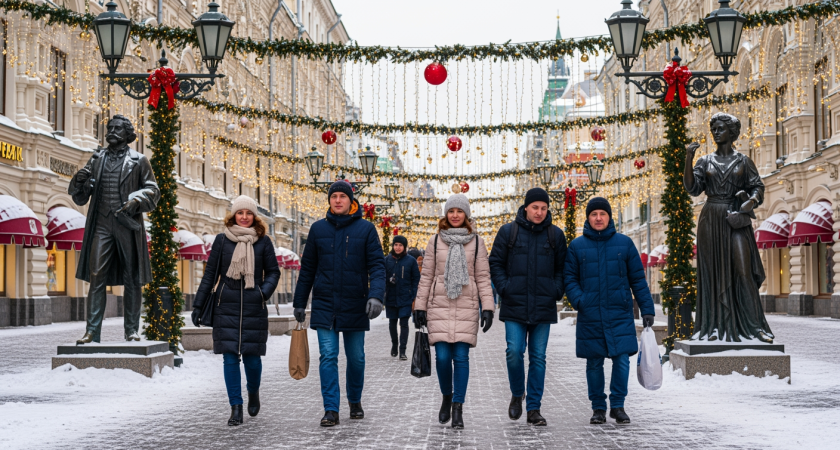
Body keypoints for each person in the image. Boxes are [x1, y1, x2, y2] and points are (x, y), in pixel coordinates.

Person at [293, 181, 385, 427]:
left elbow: (377, 265)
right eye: (334, 196)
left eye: (342, 196)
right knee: (328, 356)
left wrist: (376, 295)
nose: (337, 200)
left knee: (356, 358)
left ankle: (354, 400)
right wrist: (300, 302)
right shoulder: (317, 229)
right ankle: (331, 409)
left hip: (355, 303)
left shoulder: (366, 229)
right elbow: (308, 269)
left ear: (351, 200)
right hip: (325, 303)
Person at [68, 115, 160, 344]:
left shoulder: (139, 160)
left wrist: (137, 201)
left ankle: (131, 330)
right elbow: (81, 196)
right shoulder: (97, 158)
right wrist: (80, 180)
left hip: (126, 225)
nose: (112, 131)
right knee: (96, 274)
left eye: (118, 128)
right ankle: (92, 332)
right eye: (110, 127)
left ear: (128, 134)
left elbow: (153, 190)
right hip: (101, 224)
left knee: (132, 277)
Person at [564, 197, 654, 425]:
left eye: (602, 214)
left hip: (619, 313)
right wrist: (580, 300)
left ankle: (618, 405)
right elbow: (569, 279)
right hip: (591, 313)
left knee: (621, 360)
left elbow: (638, 280)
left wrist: (647, 309)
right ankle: (598, 408)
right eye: (593, 214)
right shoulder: (576, 246)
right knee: (594, 363)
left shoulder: (624, 244)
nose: (598, 218)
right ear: (588, 218)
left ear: (609, 217)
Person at [191, 195, 280, 426]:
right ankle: (236, 407)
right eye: (240, 213)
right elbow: (210, 274)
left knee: (252, 360)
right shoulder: (221, 241)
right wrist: (198, 305)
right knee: (230, 359)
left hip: (254, 306)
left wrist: (263, 293)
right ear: (233, 215)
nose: (244, 217)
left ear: (254, 217)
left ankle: (253, 392)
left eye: (248, 213)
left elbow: (273, 272)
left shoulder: (263, 242)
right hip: (225, 306)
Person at [684, 113, 774, 343]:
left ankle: (755, 328)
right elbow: (692, 189)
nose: (715, 131)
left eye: (720, 127)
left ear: (732, 132)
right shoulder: (705, 161)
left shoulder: (744, 161)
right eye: (713, 128)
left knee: (743, 271)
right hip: (711, 218)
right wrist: (688, 159)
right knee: (712, 273)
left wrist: (751, 201)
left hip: (735, 219)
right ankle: (713, 328)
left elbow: (758, 187)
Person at [414, 194, 495, 430]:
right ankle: (446, 397)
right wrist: (419, 306)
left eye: (460, 211)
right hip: (439, 306)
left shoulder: (477, 242)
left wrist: (487, 307)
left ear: (466, 215)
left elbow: (482, 277)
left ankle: (458, 407)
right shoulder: (435, 241)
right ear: (446, 215)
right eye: (451, 211)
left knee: (460, 358)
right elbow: (427, 276)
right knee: (442, 358)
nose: (455, 215)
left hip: (466, 306)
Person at [489, 187, 567, 426]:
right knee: (514, 352)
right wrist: (505, 287)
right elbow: (495, 263)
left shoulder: (555, 235)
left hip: (543, 305)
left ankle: (534, 408)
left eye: (544, 208)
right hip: (515, 304)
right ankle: (516, 393)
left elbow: (562, 269)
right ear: (526, 207)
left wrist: (555, 290)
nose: (539, 212)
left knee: (538, 357)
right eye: (535, 207)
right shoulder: (508, 232)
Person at [385, 235, 420, 360]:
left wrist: (413, 293)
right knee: (392, 323)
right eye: (395, 245)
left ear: (404, 247)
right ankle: (394, 344)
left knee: (404, 323)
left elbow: (416, 278)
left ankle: (402, 350)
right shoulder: (387, 260)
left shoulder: (410, 261)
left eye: (400, 245)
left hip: (405, 297)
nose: (397, 247)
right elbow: (382, 277)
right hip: (390, 297)